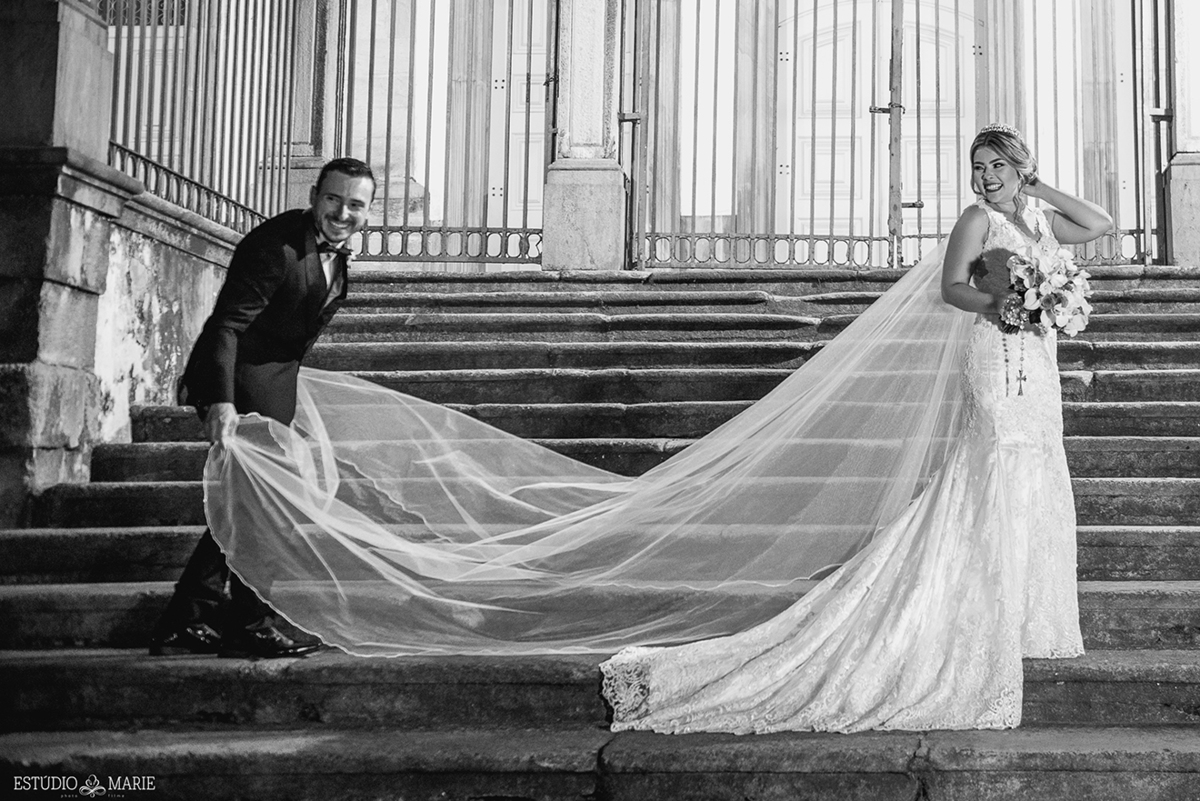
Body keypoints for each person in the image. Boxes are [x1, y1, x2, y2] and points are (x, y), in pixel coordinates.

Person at [196, 126, 1111, 733]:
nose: (987, 179)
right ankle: (216, 607)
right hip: (997, 362)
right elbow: (957, 289)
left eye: (999, 166)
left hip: (1038, 376)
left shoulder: (1030, 213)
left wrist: (1041, 237)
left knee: (1034, 484)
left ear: (1019, 166)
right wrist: (1007, 304)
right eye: (979, 168)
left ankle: (1025, 607)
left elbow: (1099, 226)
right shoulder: (978, 220)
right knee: (986, 478)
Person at [149, 157, 377, 659]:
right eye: (334, 199)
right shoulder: (276, 246)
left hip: (274, 387)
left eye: (355, 205)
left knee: (246, 506)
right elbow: (226, 325)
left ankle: (189, 618)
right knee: (265, 506)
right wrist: (222, 403)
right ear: (315, 194)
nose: (343, 212)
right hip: (242, 386)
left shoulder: (335, 254)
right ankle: (246, 623)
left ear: (368, 211)